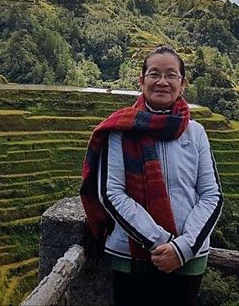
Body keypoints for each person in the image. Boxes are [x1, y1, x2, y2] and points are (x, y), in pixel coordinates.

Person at [80, 45, 223, 306]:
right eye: (154, 74)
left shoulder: (196, 132)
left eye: (171, 75)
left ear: (183, 84)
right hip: (130, 254)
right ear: (141, 81)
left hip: (189, 257)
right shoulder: (121, 129)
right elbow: (110, 194)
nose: (162, 82)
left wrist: (183, 248)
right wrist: (161, 243)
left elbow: (211, 194)